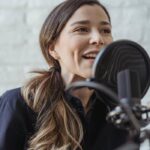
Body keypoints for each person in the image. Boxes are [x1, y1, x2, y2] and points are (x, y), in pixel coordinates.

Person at [0, 0, 130, 149]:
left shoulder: (119, 113)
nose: (98, 39)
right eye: (81, 29)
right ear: (52, 48)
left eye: (105, 31)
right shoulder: (17, 105)